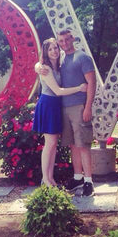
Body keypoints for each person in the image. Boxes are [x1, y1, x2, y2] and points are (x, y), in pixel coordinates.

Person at [37, 29, 97, 196]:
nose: (63, 44)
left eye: (66, 40)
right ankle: (77, 178)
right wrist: (38, 67)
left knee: (83, 144)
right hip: (62, 108)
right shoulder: (61, 59)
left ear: (73, 38)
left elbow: (92, 82)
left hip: (79, 107)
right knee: (72, 144)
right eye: (60, 41)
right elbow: (43, 64)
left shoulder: (83, 57)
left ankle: (88, 181)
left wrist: (88, 107)